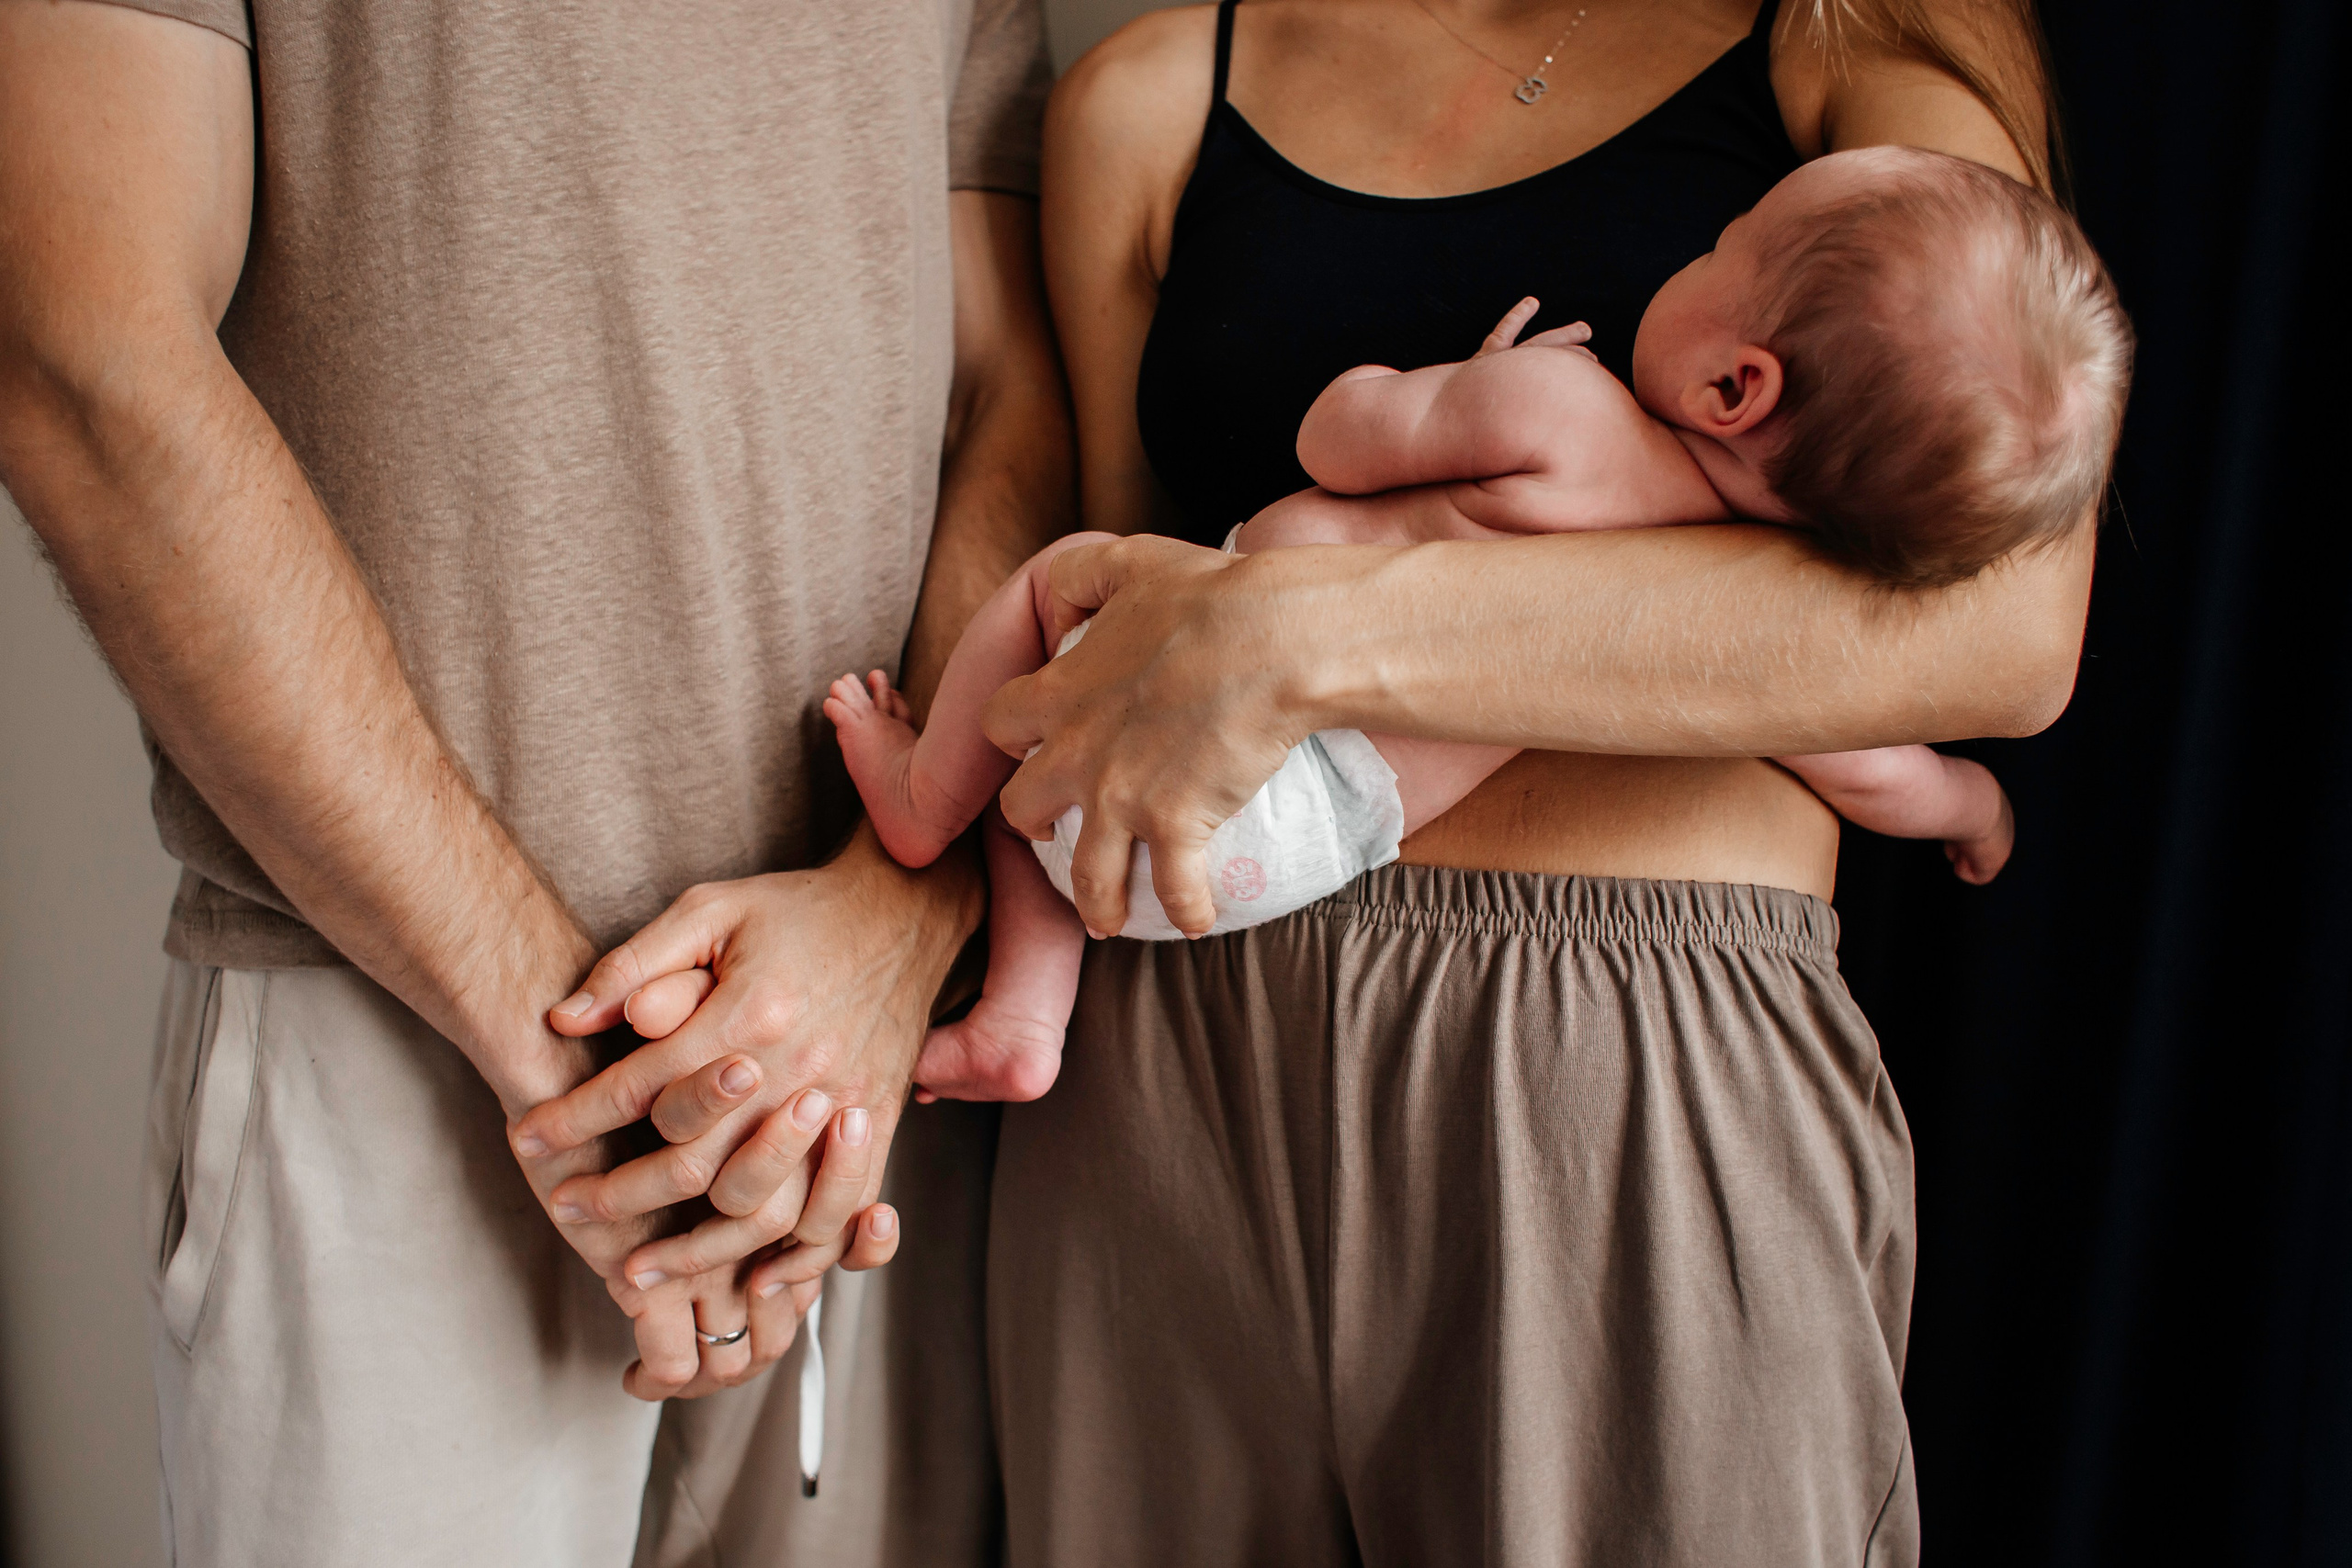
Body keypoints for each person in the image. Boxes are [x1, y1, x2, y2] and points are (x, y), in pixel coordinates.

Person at [966, 0, 2097, 1562]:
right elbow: (1101, 625)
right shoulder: (1149, 96)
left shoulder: (1853, 53)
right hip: (1156, 1055)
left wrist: (1308, 636)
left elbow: (2006, 631)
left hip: (1616, 1060)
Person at [0, 1, 1066, 1563]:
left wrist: (896, 915)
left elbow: (1008, 379)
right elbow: (82, 343)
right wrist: (593, 1087)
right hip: (401, 1034)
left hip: (866, 1087)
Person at [809, 142, 2123, 1100]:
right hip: (1316, 849)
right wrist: (1976, 811)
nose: (1700, 250)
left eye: (1727, 245)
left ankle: (925, 807)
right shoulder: (1755, 613)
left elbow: (1336, 433)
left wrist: (1478, 385)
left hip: (1202, 742)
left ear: (1736, 385)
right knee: (1068, 795)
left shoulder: (1569, 418)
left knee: (1061, 586)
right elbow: (1879, 773)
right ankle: (1023, 1027)